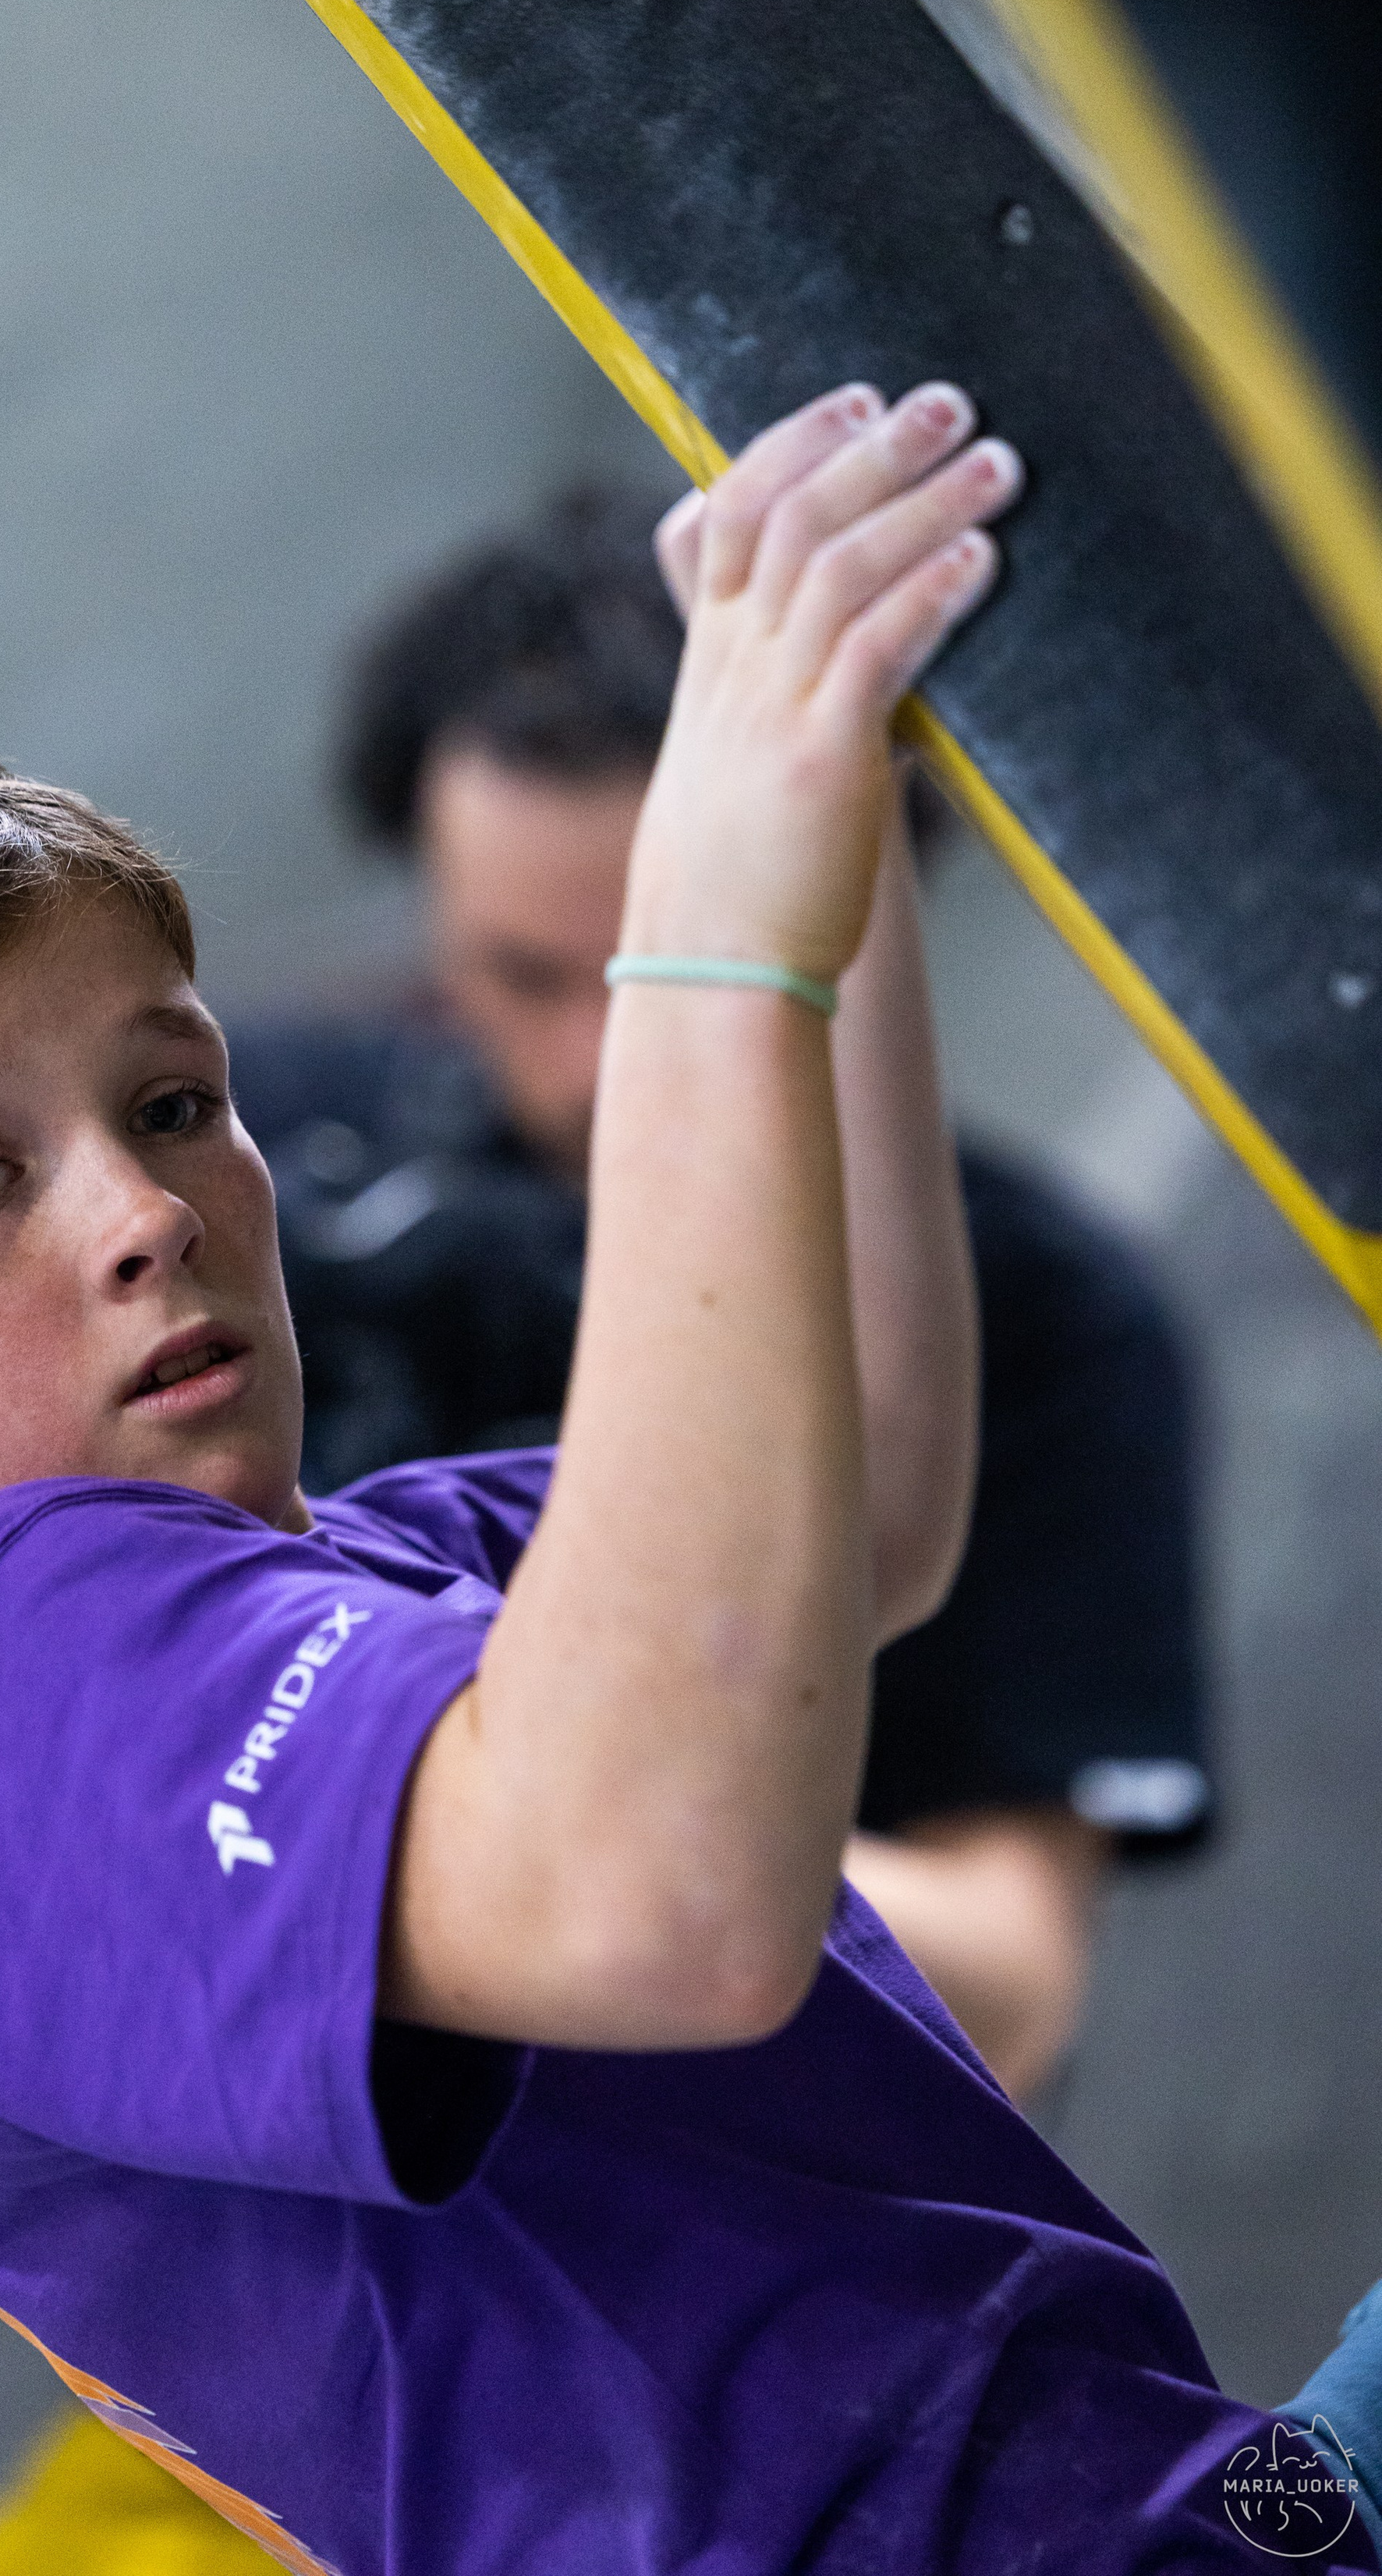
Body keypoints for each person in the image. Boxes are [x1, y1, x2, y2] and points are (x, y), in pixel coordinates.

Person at [0, 382, 1378, 2573]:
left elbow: (850, 1486)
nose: (143, 1211)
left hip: (1225, 2517)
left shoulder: (390, 1566)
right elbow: (659, 1898)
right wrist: (702, 944)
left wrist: (818, 820)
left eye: (171, 1101)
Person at [225, 481, 1212, 2110]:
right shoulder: (237, 1154)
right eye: (519, 973)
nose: (604, 1068)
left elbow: (1020, 1985)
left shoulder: (1046, 1319)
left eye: (657, 965)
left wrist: (590, 1816)